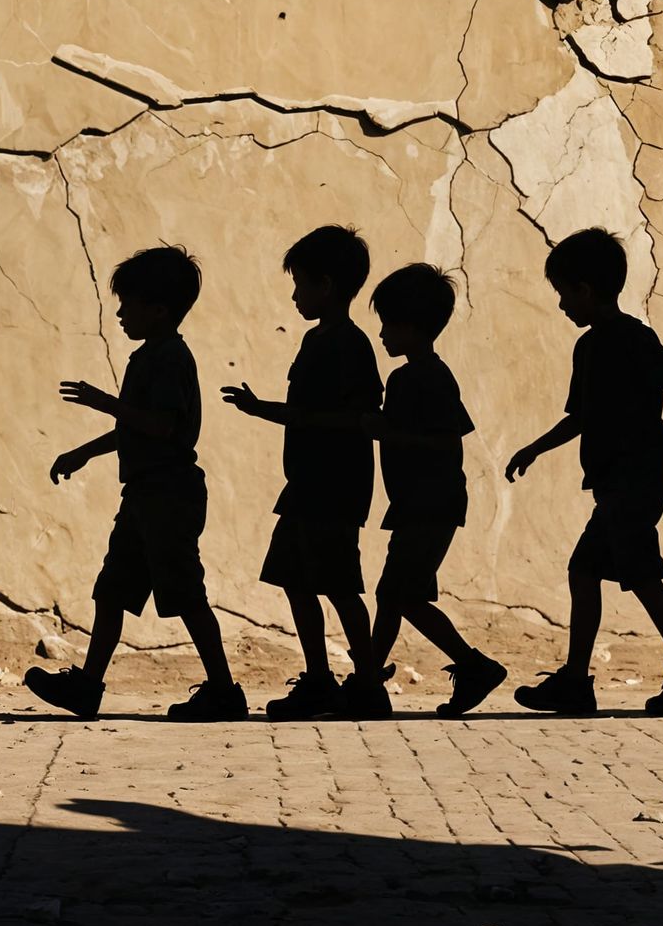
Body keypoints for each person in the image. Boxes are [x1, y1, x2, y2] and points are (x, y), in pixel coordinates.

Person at [505, 227, 663, 717]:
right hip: (614, 483)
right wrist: (534, 448)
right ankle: (575, 682)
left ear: (584, 290)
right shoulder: (588, 348)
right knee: (584, 571)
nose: (561, 306)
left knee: (641, 576)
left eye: (563, 295)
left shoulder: (633, 338)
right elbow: (579, 417)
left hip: (638, 478)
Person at [27, 246, 243, 722]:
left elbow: (162, 425)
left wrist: (103, 402)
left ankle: (224, 690)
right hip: (144, 494)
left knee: (186, 593)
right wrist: (84, 452)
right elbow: (137, 426)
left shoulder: (169, 358)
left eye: (129, 303)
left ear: (160, 309)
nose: (120, 313)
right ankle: (87, 686)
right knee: (113, 591)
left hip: (169, 494)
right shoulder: (148, 357)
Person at [222, 226, 386, 720]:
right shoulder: (320, 340)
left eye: (301, 284)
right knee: (296, 579)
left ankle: (368, 683)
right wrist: (265, 410)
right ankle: (320, 679)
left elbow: (360, 415)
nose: (295, 295)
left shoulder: (348, 345)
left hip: (332, 487)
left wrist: (275, 413)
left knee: (338, 585)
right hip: (309, 485)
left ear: (327, 285)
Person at [363, 263, 506, 718]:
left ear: (413, 327)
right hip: (419, 503)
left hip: (430, 502)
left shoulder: (423, 377)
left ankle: (472, 664)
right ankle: (367, 677)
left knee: (398, 596)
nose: (383, 334)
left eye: (390, 324)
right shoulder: (416, 375)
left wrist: (384, 431)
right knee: (395, 594)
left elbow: (446, 440)